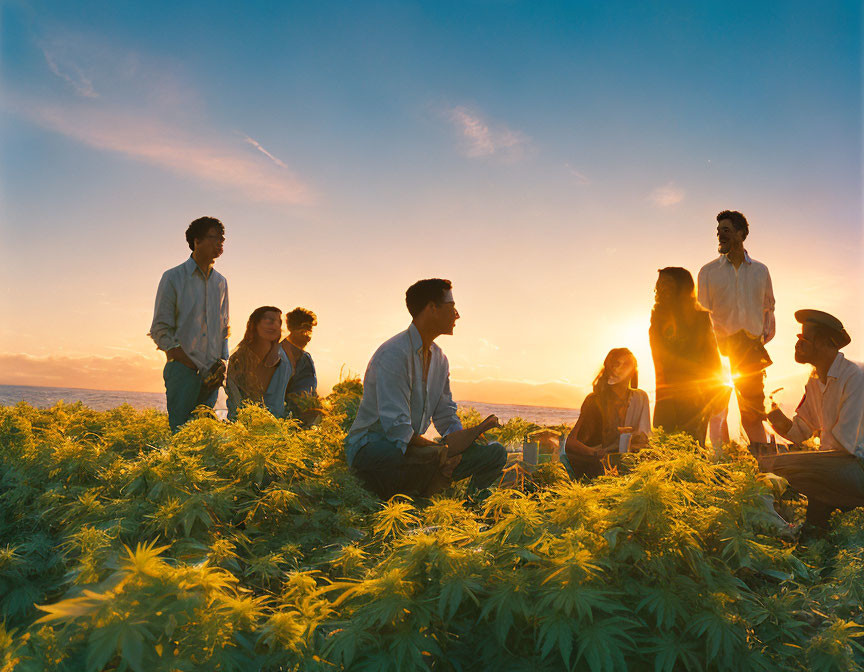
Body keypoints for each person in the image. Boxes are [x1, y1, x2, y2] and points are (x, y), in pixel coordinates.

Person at [345, 279, 507, 500]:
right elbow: (398, 430)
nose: (457, 314)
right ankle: (425, 485)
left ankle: (470, 505)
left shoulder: (440, 359)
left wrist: (462, 444)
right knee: (414, 458)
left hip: (415, 452)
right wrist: (439, 453)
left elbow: (446, 417)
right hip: (375, 449)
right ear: (432, 308)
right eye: (452, 306)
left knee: (494, 453)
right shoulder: (393, 354)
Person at [760, 310, 864, 532]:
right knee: (815, 534)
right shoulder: (814, 382)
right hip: (834, 467)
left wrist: (792, 462)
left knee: (773, 464)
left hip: (857, 467)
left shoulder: (854, 376)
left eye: (806, 338)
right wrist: (772, 415)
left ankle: (779, 525)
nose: (798, 343)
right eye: (799, 338)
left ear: (828, 343)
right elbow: (800, 431)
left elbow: (845, 446)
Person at [698, 210, 775, 446]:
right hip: (717, 354)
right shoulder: (707, 272)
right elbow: (701, 317)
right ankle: (718, 465)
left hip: (750, 352)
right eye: (719, 231)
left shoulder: (761, 271)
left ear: (741, 234)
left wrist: (759, 342)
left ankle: (764, 465)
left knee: (752, 411)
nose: (720, 235)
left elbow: (769, 309)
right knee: (716, 410)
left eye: (727, 231)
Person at [149, 216, 229, 432]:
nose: (220, 243)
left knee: (203, 437)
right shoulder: (173, 277)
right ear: (196, 241)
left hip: (211, 374)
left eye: (222, 238)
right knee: (181, 435)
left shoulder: (221, 282)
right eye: (214, 237)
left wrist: (222, 361)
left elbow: (224, 327)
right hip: (183, 371)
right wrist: (183, 359)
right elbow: (159, 328)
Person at [649, 267, 725, 446]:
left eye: (667, 283)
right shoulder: (657, 317)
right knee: (664, 448)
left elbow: (712, 356)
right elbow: (660, 357)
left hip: (696, 396)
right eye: (659, 284)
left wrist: (716, 390)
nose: (661, 288)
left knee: (692, 447)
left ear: (681, 286)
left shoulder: (700, 318)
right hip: (667, 394)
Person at [564, 348, 651, 479]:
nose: (620, 368)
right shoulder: (595, 400)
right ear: (609, 368)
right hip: (598, 462)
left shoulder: (640, 397)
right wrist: (594, 453)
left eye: (626, 364)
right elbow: (571, 442)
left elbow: (644, 437)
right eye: (616, 363)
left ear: (633, 370)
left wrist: (637, 447)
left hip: (626, 460)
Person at [226, 306, 294, 420]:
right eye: (270, 321)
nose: (275, 326)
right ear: (255, 324)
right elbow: (239, 398)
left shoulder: (283, 357)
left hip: (277, 425)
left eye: (279, 322)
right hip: (246, 425)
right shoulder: (240, 358)